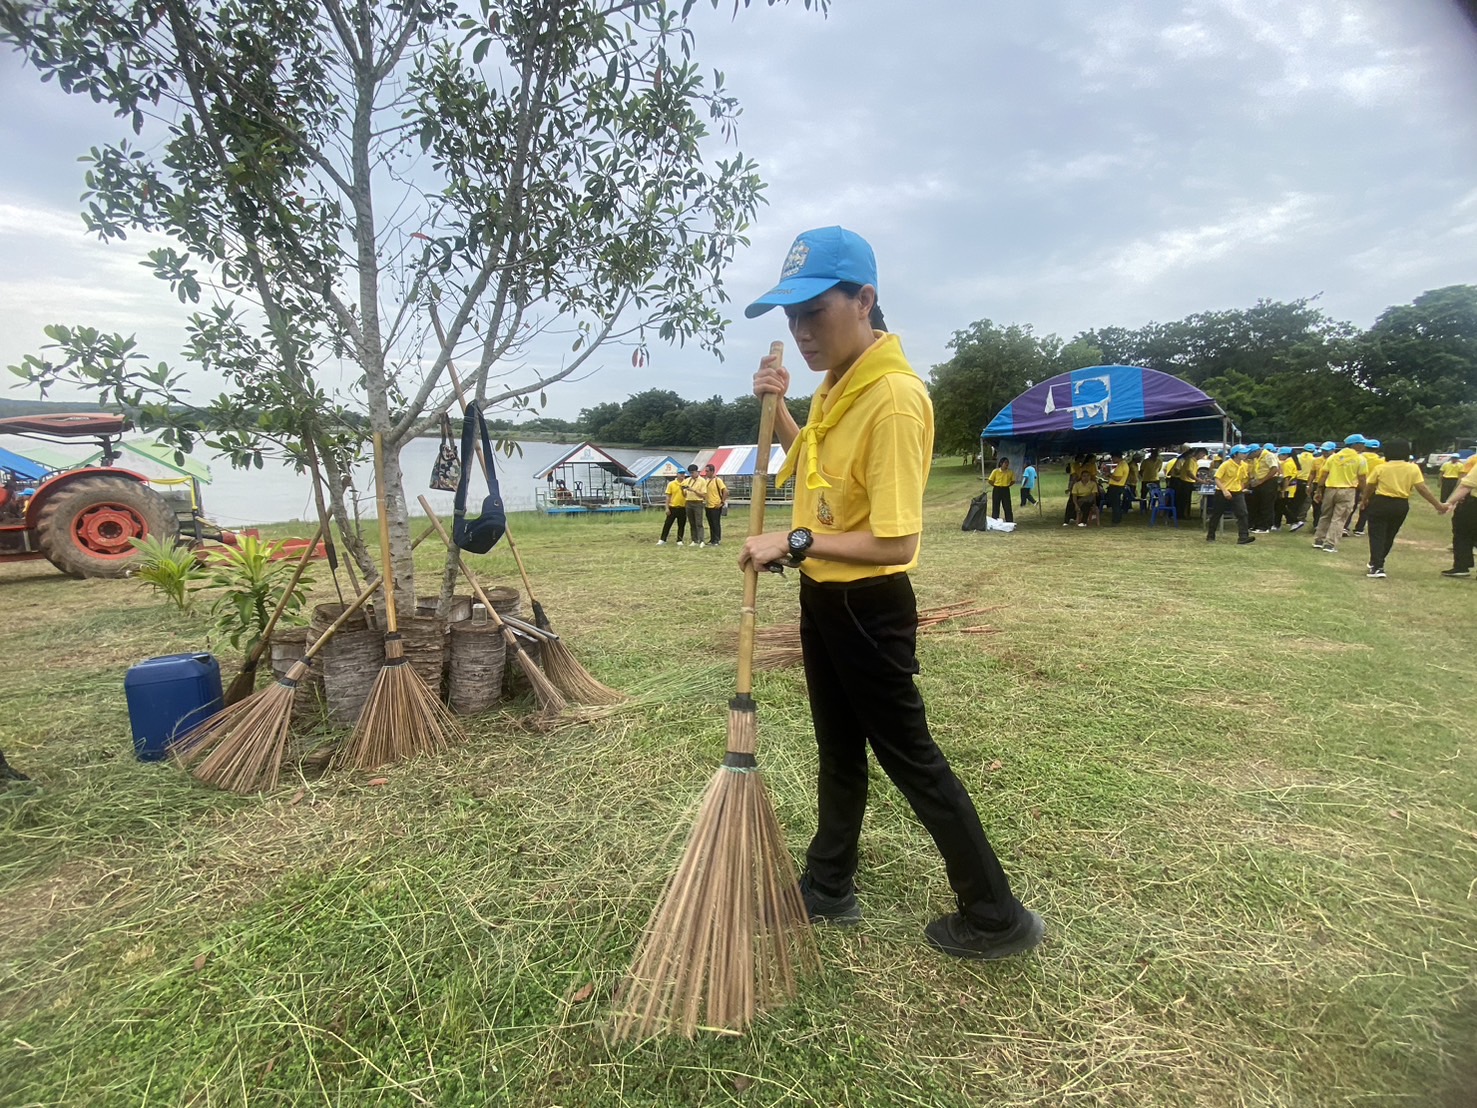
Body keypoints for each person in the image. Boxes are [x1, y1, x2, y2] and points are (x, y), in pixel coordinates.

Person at [740, 225, 1043, 960]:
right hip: (823, 599)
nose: (801, 331)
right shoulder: (838, 386)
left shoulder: (895, 398)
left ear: (864, 299)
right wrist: (780, 409)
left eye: (815, 311)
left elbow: (895, 542)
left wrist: (794, 541)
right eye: (790, 317)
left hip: (868, 608)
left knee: (910, 757)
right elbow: (809, 461)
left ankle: (996, 915)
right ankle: (828, 882)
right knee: (837, 748)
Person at [1359, 439, 1443, 578]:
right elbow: (1422, 488)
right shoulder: (1413, 468)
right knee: (1390, 535)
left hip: (1381, 502)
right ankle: (1377, 562)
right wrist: (1437, 504)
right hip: (1401, 504)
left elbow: (1370, 486)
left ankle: (1377, 566)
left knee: (1377, 535)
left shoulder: (1381, 467)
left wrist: (1364, 499)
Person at [1312, 434, 1368, 553]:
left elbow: (1324, 474)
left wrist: (1318, 490)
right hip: (1347, 490)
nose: (1364, 446)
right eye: (1362, 443)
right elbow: (1362, 478)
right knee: (1339, 518)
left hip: (1330, 489)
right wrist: (1364, 493)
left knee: (1325, 515)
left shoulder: (1333, 457)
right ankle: (1330, 544)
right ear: (1355, 445)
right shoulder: (1360, 459)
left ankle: (1319, 540)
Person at [1206, 444, 1254, 544]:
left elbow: (1243, 479)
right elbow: (1217, 478)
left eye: (1246, 453)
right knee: (1217, 514)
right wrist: (1224, 491)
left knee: (1243, 513)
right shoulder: (1226, 464)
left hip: (1237, 492)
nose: (1245, 455)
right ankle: (1211, 535)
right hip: (1222, 492)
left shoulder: (1244, 465)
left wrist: (1242, 488)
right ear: (1235, 454)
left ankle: (1243, 537)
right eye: (1243, 453)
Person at [1440, 453, 1477, 578]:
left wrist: (1449, 502)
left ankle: (1462, 566)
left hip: (1473, 505)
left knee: (1463, 533)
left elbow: (1466, 485)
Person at [680, 463, 709, 547]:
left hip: (698, 503)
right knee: (692, 522)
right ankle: (694, 540)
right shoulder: (687, 480)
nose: (691, 474)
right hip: (688, 502)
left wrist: (693, 490)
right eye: (690, 473)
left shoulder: (702, 481)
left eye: (693, 472)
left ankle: (702, 540)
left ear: (697, 472)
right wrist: (683, 489)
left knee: (699, 522)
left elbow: (703, 495)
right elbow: (683, 491)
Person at [702, 463, 728, 547]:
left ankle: (717, 539)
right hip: (708, 505)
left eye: (707, 471)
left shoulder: (717, 480)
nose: (706, 473)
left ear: (712, 471)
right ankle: (712, 539)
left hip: (715, 505)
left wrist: (722, 502)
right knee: (710, 523)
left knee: (716, 523)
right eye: (705, 471)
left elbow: (725, 491)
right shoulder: (706, 481)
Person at [657, 471, 687, 545]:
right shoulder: (671, 484)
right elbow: (668, 496)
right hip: (673, 507)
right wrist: (667, 507)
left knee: (681, 524)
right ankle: (663, 539)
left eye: (683, 474)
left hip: (683, 507)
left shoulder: (686, 483)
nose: (682, 475)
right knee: (667, 524)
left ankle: (679, 540)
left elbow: (687, 495)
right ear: (677, 474)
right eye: (680, 474)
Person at [986, 456, 1015, 522]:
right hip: (997, 489)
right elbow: (990, 480)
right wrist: (995, 485)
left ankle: (1009, 521)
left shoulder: (1010, 472)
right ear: (1001, 463)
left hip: (1005, 489)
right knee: (996, 506)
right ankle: (994, 521)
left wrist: (1007, 485)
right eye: (1005, 462)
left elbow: (1013, 481)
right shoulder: (995, 471)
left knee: (1007, 505)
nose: (1007, 464)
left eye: (1008, 463)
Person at [1105, 451, 1131, 524]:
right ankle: (1116, 519)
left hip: (1116, 487)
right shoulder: (1123, 464)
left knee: (1115, 504)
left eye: (1112, 458)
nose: (1112, 460)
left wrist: (1109, 474)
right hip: (1118, 486)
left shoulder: (1121, 465)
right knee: (1116, 504)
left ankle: (1116, 520)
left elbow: (1117, 478)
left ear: (1116, 457)